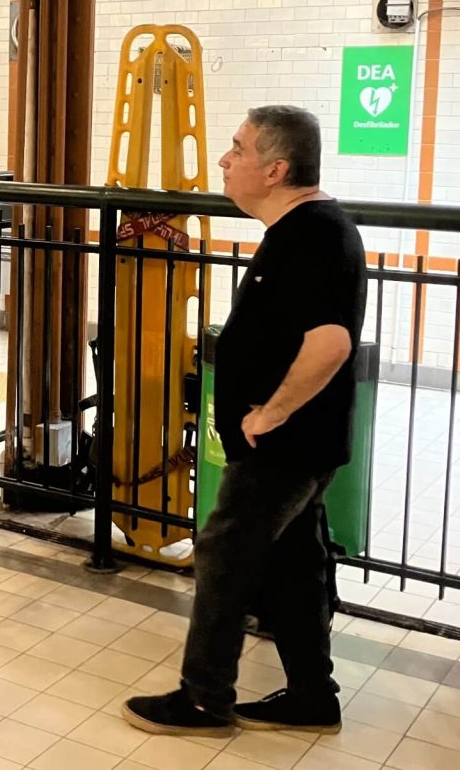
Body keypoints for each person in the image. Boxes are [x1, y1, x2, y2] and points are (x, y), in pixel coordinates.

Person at [123, 105, 367, 738]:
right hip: (296, 445)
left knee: (224, 561)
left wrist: (270, 413)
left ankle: (204, 700)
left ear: (277, 168)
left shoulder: (314, 236)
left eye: (237, 149)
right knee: (293, 569)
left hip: (284, 446)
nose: (225, 159)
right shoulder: (298, 231)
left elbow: (331, 342)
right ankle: (313, 695)